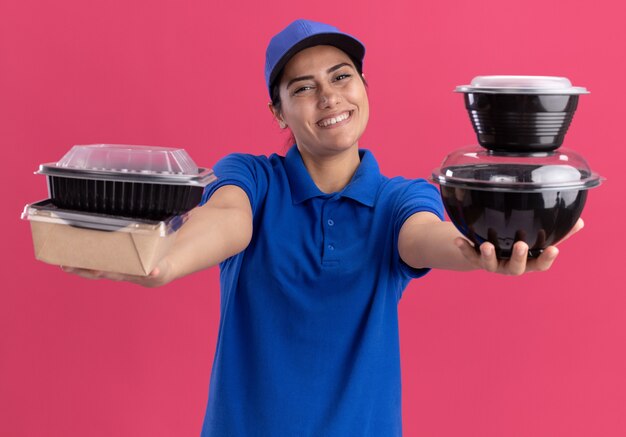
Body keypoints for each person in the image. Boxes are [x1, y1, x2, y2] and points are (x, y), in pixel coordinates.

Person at [63, 19, 583, 437]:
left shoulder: (399, 197)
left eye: (341, 77)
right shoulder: (251, 177)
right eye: (303, 88)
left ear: (363, 86)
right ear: (279, 112)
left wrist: (475, 250)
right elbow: (227, 221)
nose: (329, 97)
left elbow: (426, 236)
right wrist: (164, 260)